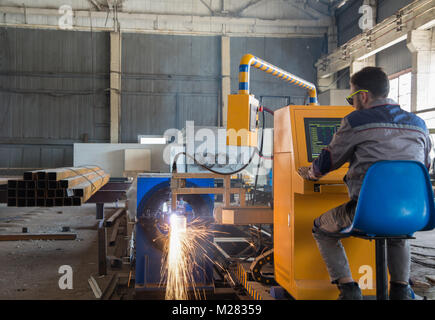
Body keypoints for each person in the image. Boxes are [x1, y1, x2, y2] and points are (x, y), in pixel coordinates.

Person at [298, 67, 432, 300]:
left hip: (367, 213)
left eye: (351, 98)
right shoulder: (418, 124)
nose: (351, 103)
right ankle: (401, 290)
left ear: (363, 95)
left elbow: (328, 161)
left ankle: (349, 289)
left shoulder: (355, 121)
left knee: (321, 228)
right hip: (413, 213)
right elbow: (424, 167)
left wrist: (309, 173)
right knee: (398, 231)